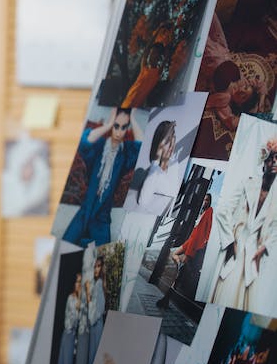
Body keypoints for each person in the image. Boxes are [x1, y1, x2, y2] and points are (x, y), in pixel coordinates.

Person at [211, 137, 277, 314]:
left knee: (244, 308)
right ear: (264, 160)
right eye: (271, 157)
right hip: (236, 247)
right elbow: (222, 211)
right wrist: (229, 242)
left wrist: (263, 249)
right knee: (224, 296)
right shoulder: (248, 183)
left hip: (254, 257)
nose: (274, 162)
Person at [63, 107, 144, 247]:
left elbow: (142, 146)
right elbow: (84, 142)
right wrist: (107, 125)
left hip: (102, 217)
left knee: (103, 257)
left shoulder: (125, 152)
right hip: (84, 212)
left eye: (123, 127)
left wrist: (134, 120)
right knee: (64, 246)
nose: (119, 132)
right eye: (116, 126)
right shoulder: (99, 146)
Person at [157, 193, 213, 309]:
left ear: (210, 202)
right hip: (189, 241)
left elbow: (207, 230)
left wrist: (203, 242)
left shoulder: (210, 211)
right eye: (204, 200)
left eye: (207, 200)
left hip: (194, 245)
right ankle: (180, 265)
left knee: (178, 276)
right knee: (175, 254)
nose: (205, 202)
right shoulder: (201, 213)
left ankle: (166, 299)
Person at [133, 120, 180, 215]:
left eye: (173, 138)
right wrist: (156, 160)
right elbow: (142, 202)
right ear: (158, 145)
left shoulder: (174, 164)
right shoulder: (154, 172)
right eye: (167, 141)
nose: (171, 144)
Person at [52, 273, 82, 364]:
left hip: (78, 340)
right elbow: (68, 323)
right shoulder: (71, 299)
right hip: (68, 338)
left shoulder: (85, 301)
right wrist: (77, 309)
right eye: (77, 282)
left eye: (81, 282)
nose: (78, 285)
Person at [85, 256, 106, 364]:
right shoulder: (98, 283)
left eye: (99, 266)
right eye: (94, 267)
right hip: (97, 324)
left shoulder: (98, 284)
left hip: (96, 325)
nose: (96, 269)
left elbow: (93, 315)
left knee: (93, 360)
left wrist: (88, 294)